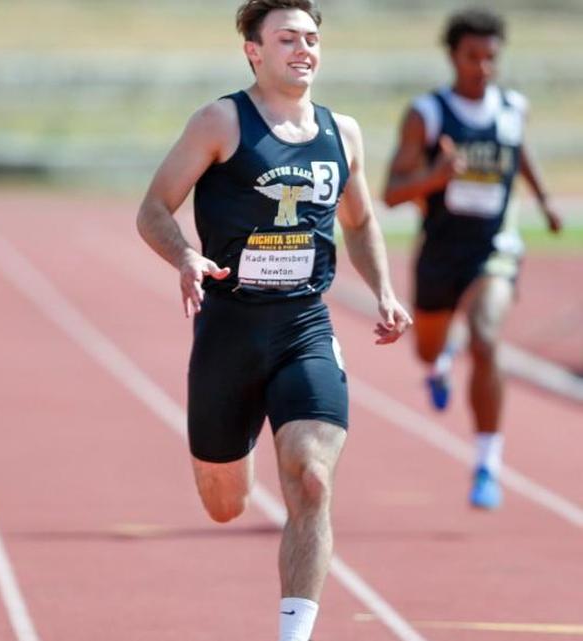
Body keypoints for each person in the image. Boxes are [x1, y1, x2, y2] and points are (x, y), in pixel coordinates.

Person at [136, 2, 411, 640]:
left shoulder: (342, 133)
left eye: (312, 38)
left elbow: (362, 221)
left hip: (303, 327)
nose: (303, 49)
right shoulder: (221, 121)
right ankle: (241, 441)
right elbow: (153, 207)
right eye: (286, 38)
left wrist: (385, 292)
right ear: (254, 51)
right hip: (229, 330)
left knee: (312, 478)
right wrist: (184, 254)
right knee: (225, 504)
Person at [383, 8, 562, 510]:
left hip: (494, 250)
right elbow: (392, 193)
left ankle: (487, 462)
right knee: (426, 348)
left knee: (486, 338)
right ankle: (438, 363)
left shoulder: (512, 108)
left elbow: (518, 149)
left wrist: (544, 198)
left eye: (491, 58)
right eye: (472, 57)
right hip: (441, 253)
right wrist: (435, 178)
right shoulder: (428, 113)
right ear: (453, 56)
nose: (482, 67)